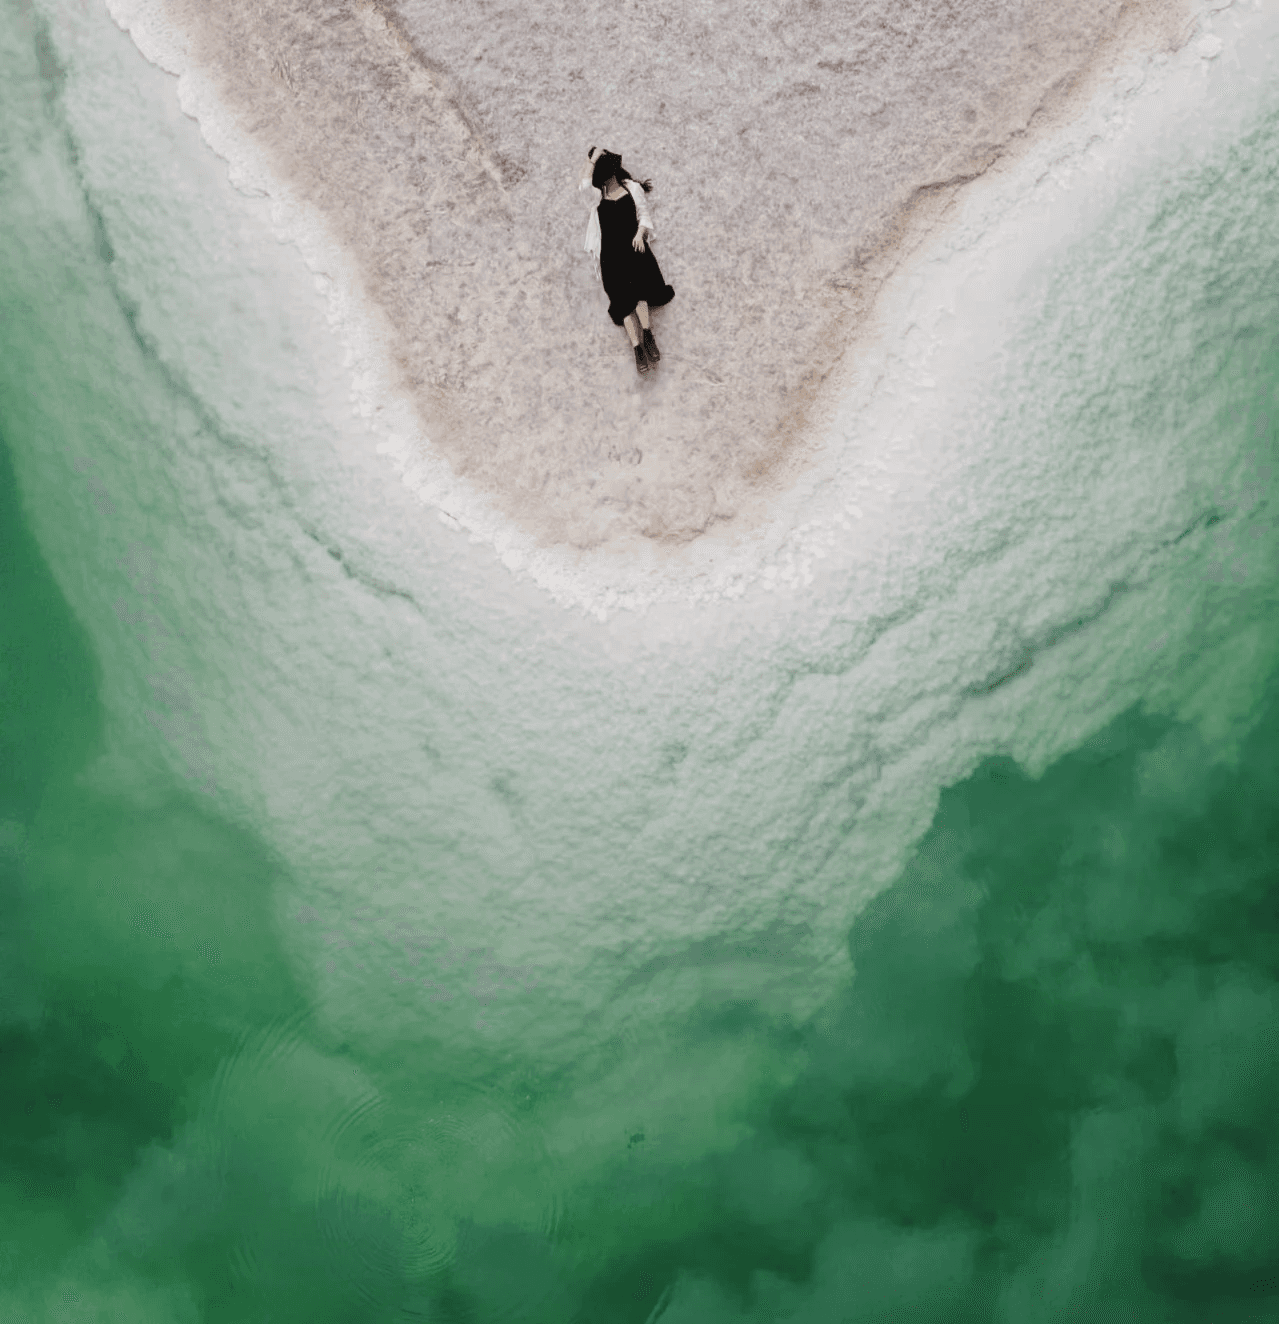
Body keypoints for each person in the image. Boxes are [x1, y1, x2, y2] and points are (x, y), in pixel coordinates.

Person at [579, 146, 675, 375]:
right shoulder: (596, 197)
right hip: (611, 257)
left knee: (639, 292)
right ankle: (637, 349)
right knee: (623, 304)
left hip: (634, 248)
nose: (610, 177)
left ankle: (648, 334)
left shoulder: (631, 188)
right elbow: (583, 186)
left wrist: (640, 234)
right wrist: (592, 160)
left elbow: (644, 214)